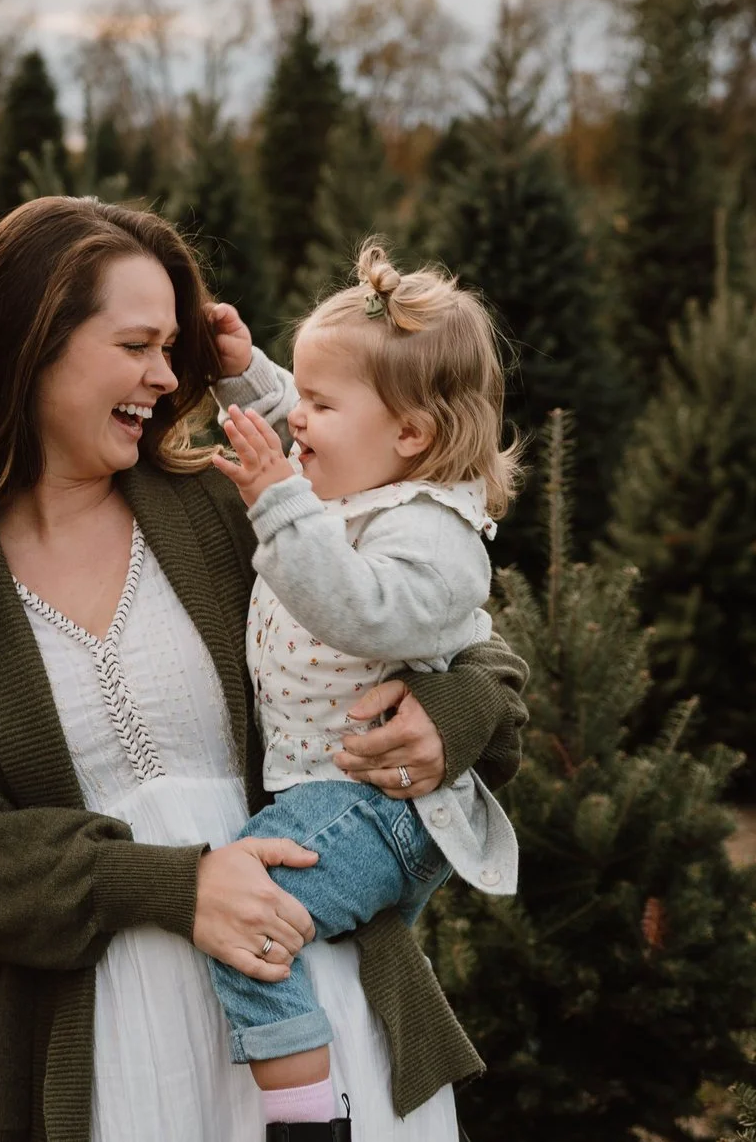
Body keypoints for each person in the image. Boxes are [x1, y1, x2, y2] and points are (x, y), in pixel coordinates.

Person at [0, 198, 526, 1142]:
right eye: (137, 343)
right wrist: (172, 886)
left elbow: (452, 622)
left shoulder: (229, 506)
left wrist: (449, 713)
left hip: (321, 1019)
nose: (167, 376)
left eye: (173, 345)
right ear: (36, 342)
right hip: (102, 1054)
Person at [205, 241, 520, 1137]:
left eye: (320, 402)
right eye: (296, 394)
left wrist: (273, 499)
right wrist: (241, 374)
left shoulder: (434, 533)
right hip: (330, 794)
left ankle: (304, 1119)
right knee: (259, 919)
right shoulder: (361, 469)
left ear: (412, 434)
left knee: (252, 924)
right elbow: (306, 428)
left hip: (372, 805)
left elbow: (360, 609)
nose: (297, 420)